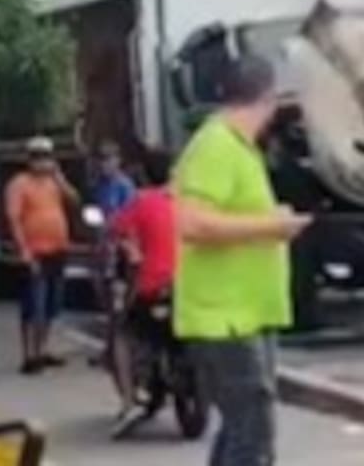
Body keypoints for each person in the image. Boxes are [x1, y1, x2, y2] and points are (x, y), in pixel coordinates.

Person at [175, 53, 312, 466]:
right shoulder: (215, 145)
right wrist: (272, 227)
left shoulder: (238, 147)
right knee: (252, 434)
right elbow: (193, 224)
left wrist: (271, 220)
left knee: (244, 429)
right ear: (268, 98)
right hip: (224, 317)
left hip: (246, 312)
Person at [107, 147, 178, 439]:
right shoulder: (188, 202)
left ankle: (127, 401)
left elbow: (115, 230)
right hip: (189, 287)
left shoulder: (141, 202)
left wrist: (130, 248)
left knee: (122, 334)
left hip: (153, 287)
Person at [5, 135, 79, 374]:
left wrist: (59, 177)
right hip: (34, 251)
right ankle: (29, 354)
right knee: (33, 304)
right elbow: (14, 219)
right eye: (37, 157)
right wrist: (23, 250)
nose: (42, 162)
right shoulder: (19, 184)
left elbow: (74, 200)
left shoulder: (54, 182)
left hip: (57, 249)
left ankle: (42, 348)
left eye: (46, 157)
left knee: (52, 304)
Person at [94, 143, 136, 220]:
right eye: (101, 160)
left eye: (108, 160)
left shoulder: (125, 185)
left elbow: (130, 213)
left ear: (118, 160)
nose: (103, 164)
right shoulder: (99, 183)